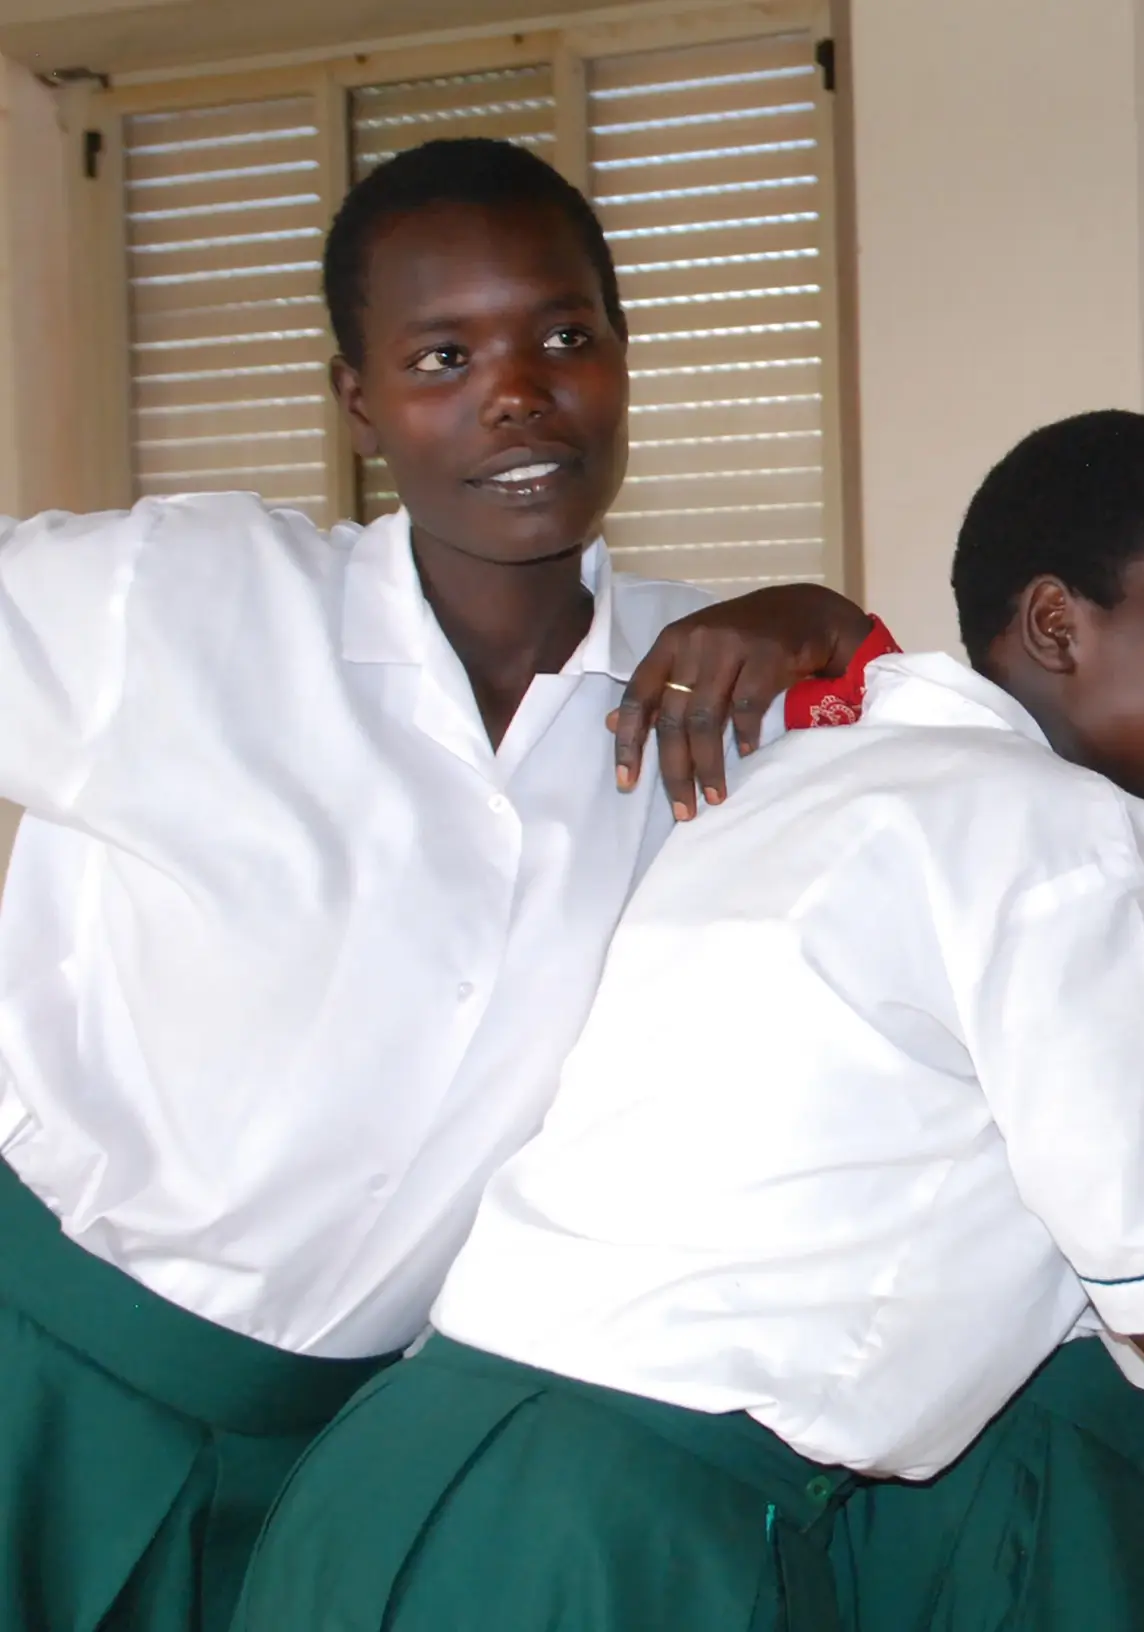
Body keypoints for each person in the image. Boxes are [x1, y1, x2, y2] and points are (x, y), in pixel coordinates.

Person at [233, 409, 1144, 1631]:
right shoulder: (1055, 835)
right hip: (612, 1523)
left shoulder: (813, 770)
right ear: (1056, 622)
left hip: (427, 1460)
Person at [0, 137, 885, 1632]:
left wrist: (827, 621)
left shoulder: (713, 686)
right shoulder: (192, 598)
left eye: (564, 336)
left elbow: (961, 788)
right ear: (359, 401)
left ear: (622, 353)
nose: (518, 392)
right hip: (43, 1362)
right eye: (441, 353)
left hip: (352, 1443)